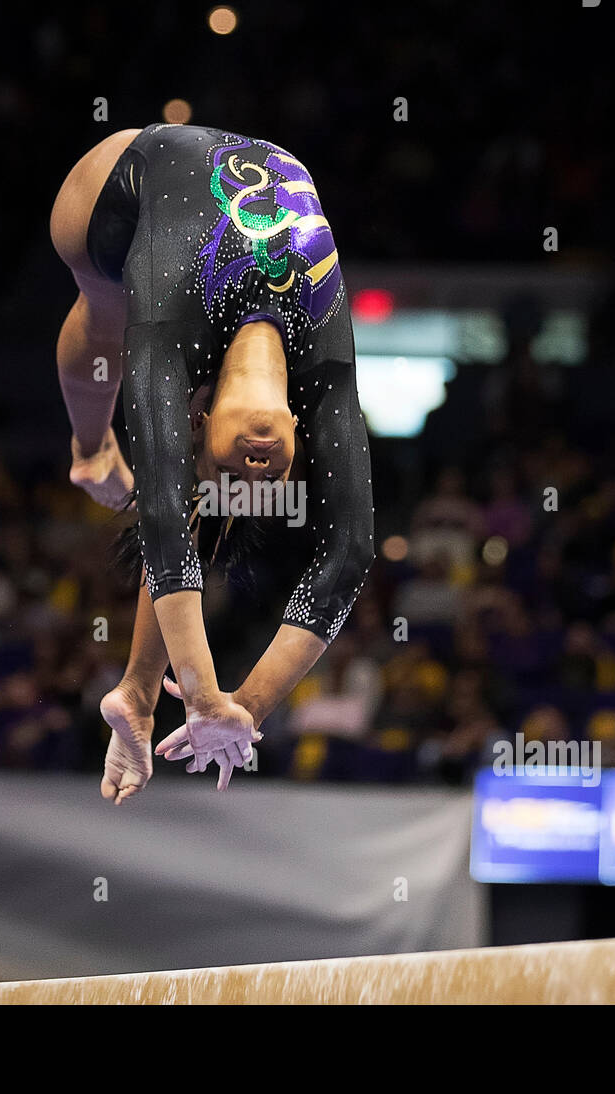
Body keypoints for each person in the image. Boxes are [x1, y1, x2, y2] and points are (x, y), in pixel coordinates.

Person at [49, 123, 374, 801]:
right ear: (295, 430)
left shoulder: (170, 338)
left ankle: (91, 451)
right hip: (200, 177)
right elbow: (350, 552)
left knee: (105, 305)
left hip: (119, 188)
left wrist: (213, 705)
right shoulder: (327, 371)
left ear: (196, 427)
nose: (254, 472)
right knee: (110, 316)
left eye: (226, 472)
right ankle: (92, 456)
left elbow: (168, 528)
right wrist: (239, 707)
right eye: (266, 475)